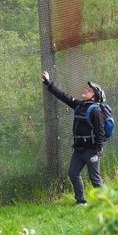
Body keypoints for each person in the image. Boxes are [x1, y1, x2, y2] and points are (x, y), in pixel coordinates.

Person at [42, 71, 105, 205]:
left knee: (94, 179)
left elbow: (100, 132)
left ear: (94, 97)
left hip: (91, 151)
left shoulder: (96, 111)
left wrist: (97, 151)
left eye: (89, 90)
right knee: (73, 173)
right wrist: (49, 84)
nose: (86, 90)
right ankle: (81, 201)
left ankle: (107, 203)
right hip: (79, 149)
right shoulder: (79, 105)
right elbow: (64, 97)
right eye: (87, 89)